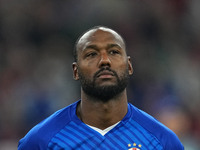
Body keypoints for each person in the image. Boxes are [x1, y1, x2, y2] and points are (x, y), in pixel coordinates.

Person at [18, 26, 184, 150]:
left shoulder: (163, 141)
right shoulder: (40, 141)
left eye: (114, 52)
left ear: (129, 66)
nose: (105, 60)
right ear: (75, 71)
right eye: (91, 54)